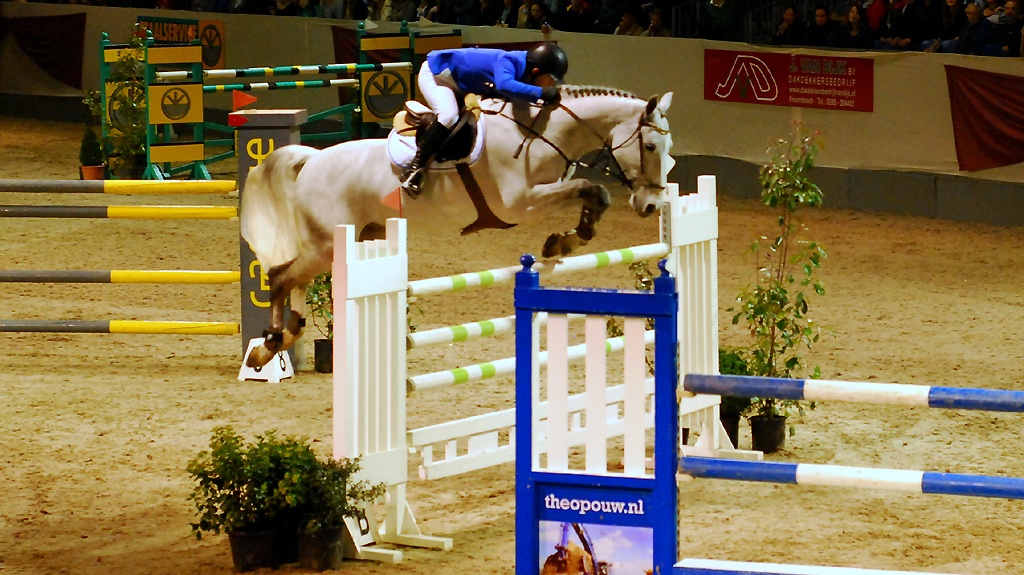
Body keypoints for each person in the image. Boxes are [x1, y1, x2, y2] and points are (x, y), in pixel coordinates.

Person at [403, 43, 568, 197]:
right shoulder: (508, 61)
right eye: (551, 80)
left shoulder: (524, 69)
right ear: (536, 71)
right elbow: (505, 85)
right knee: (449, 116)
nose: (552, 85)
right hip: (436, 75)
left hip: (461, 81)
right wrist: (541, 92)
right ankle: (414, 169)